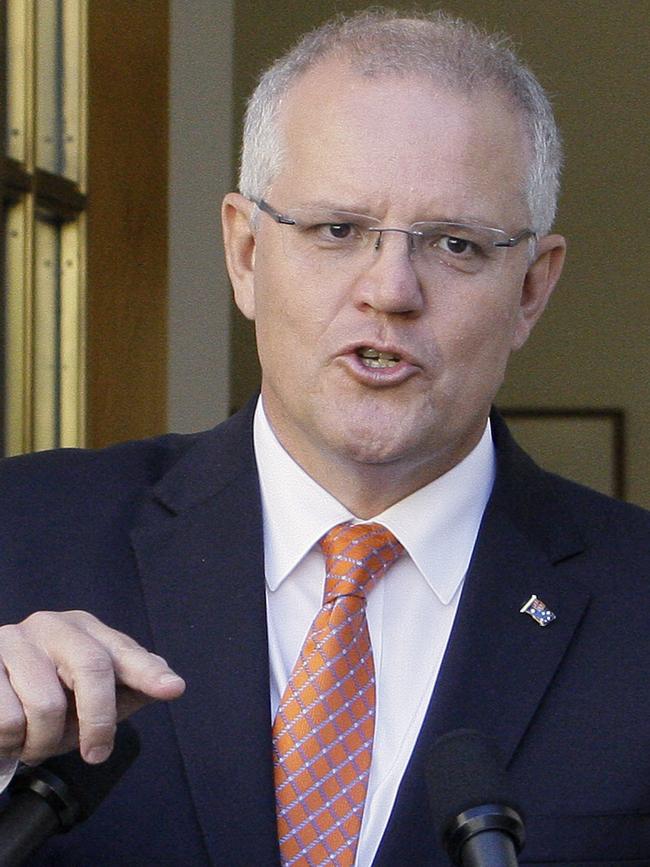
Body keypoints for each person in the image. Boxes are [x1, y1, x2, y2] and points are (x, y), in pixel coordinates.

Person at [0, 8, 648, 866]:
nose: (390, 289)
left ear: (531, 288)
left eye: (454, 243)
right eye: (338, 229)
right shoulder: (21, 533)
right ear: (244, 253)